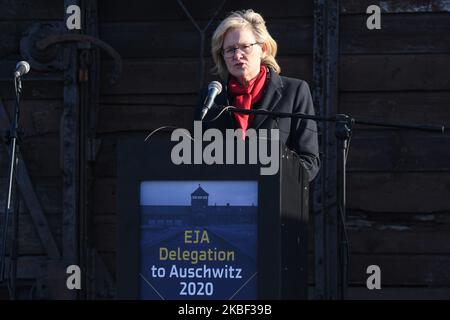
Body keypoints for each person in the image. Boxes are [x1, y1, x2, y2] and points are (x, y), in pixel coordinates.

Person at [196, 9, 320, 181]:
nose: (237, 55)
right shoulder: (211, 97)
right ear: (222, 56)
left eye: (244, 47)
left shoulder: (294, 92)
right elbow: (196, 159)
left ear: (263, 49)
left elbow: (309, 163)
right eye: (230, 50)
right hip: (224, 199)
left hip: (275, 199)